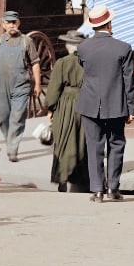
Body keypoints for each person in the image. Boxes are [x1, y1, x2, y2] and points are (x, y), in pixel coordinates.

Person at [75, 5, 134, 203]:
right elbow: (129, 80)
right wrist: (132, 108)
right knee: (116, 144)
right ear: (109, 24)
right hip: (116, 105)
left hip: (89, 104)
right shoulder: (123, 47)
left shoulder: (83, 48)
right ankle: (113, 188)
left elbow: (85, 68)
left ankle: (97, 191)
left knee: (94, 146)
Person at [0, 10, 42, 161]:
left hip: (21, 85)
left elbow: (35, 63)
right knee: (3, 117)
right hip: (1, 84)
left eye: (14, 22)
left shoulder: (26, 41)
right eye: (8, 22)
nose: (11, 25)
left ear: (18, 23)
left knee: (17, 117)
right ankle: (10, 139)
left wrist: (37, 84)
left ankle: (13, 148)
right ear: (3, 24)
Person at [46, 30, 88, 193]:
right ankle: (81, 177)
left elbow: (54, 89)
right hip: (85, 103)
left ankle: (63, 176)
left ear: (67, 46)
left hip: (66, 104)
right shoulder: (88, 62)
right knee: (81, 140)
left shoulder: (62, 63)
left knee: (64, 140)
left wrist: (50, 108)